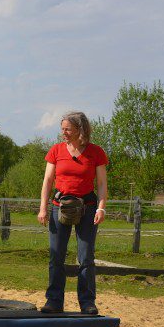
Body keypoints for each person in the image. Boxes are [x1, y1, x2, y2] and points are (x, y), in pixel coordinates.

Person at [37, 111, 108, 315]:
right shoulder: (56, 151)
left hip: (87, 208)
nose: (64, 133)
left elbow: (102, 184)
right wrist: (43, 208)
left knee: (86, 257)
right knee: (56, 256)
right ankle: (54, 301)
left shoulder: (96, 152)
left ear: (80, 129)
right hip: (60, 206)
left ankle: (87, 302)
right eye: (62, 129)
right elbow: (48, 181)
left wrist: (101, 207)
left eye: (68, 129)